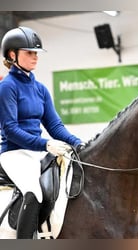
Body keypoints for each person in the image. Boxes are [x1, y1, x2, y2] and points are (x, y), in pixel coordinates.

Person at [0, 26, 83, 239]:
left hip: (37, 151)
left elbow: (55, 126)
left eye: (36, 52)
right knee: (34, 191)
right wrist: (46, 144)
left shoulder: (41, 89)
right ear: (12, 55)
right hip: (14, 153)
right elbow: (10, 130)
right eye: (29, 52)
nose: (35, 56)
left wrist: (79, 143)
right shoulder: (7, 87)